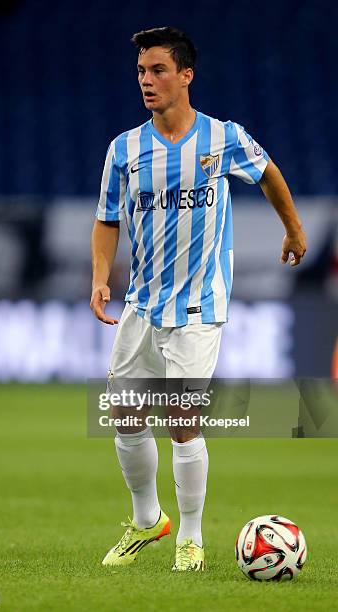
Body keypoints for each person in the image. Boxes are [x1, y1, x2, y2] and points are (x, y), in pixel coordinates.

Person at [90, 26, 306, 571]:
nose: (147, 80)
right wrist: (99, 278)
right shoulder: (125, 148)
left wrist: (294, 230)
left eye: (158, 69)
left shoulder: (223, 137)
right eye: (141, 71)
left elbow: (269, 173)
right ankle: (147, 522)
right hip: (142, 302)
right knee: (125, 414)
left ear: (186, 75)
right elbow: (106, 218)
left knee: (183, 416)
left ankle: (190, 537)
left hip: (199, 303)